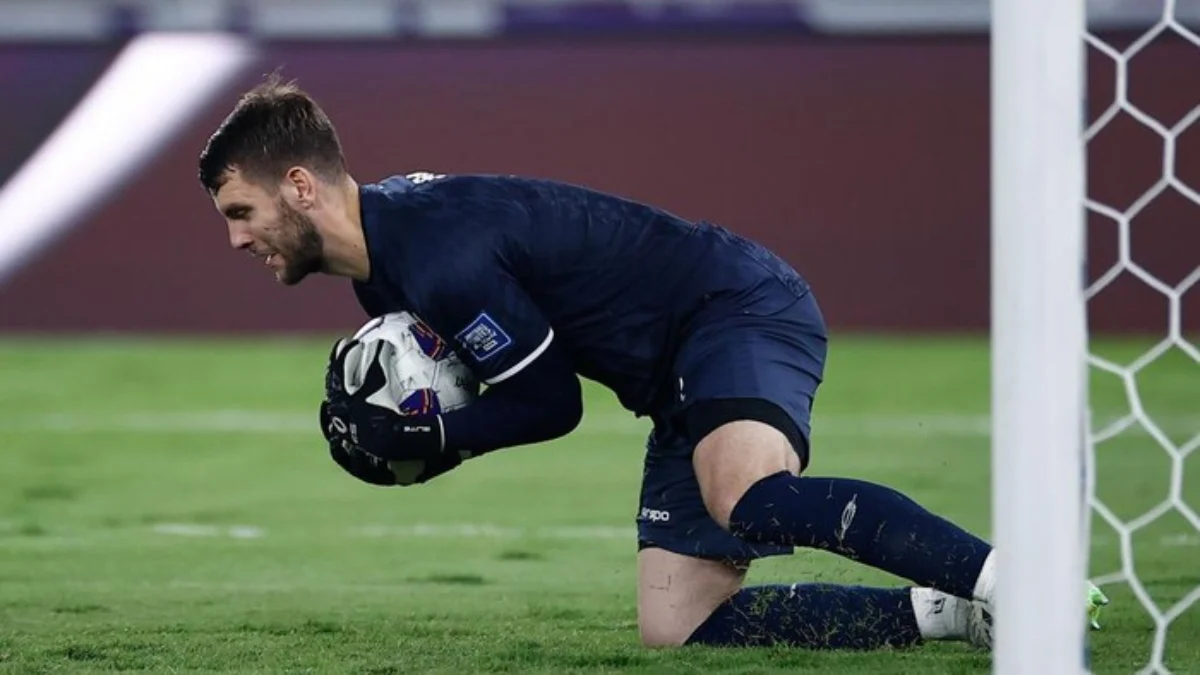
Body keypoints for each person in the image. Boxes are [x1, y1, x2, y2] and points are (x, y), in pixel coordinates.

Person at [197, 74, 1098, 653]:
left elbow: (550, 402)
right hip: (668, 373)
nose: (237, 239)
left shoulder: (436, 257)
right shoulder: (386, 266)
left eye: (242, 212)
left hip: (728, 305)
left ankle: (1021, 583)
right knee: (680, 621)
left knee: (745, 495)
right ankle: (955, 610)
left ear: (301, 186)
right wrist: (420, 440)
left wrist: (429, 438)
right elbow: (495, 383)